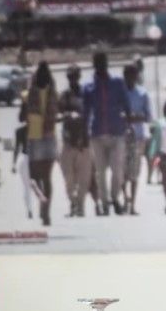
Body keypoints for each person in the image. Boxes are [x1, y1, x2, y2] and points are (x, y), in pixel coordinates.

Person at [83, 52, 131, 216]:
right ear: (94, 64)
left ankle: (115, 198)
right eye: (97, 62)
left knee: (117, 169)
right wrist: (84, 133)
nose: (100, 65)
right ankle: (104, 203)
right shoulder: (89, 86)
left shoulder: (117, 83)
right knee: (100, 172)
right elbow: (85, 112)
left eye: (103, 62)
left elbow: (126, 105)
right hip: (97, 133)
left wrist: (129, 124)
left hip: (117, 131)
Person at [25, 61, 58, 226]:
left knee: (35, 177)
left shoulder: (31, 92)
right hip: (49, 135)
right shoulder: (53, 92)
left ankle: (43, 204)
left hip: (35, 135)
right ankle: (46, 210)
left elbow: (25, 113)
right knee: (47, 177)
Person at [58, 64, 92, 217]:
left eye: (75, 76)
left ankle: (81, 205)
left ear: (79, 77)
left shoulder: (86, 94)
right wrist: (67, 115)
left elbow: (91, 112)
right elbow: (58, 113)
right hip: (68, 141)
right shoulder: (64, 95)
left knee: (84, 178)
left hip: (84, 141)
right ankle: (72, 203)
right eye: (69, 76)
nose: (72, 79)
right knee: (68, 177)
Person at [123, 64, 152, 216]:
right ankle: (124, 198)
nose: (130, 78)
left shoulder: (142, 93)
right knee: (121, 171)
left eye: (132, 75)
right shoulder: (119, 92)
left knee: (134, 172)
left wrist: (133, 117)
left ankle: (132, 204)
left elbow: (148, 116)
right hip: (121, 136)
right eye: (127, 75)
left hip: (137, 137)